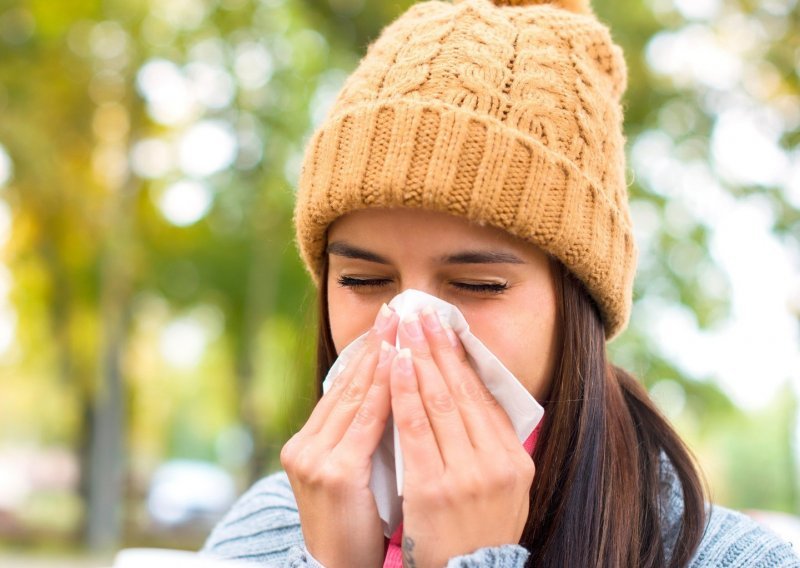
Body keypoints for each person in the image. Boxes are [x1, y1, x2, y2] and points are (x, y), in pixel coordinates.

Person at [199, 0, 800, 566]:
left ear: (577, 304)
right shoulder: (264, 531)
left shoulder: (727, 556)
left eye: (479, 285)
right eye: (363, 278)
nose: (410, 323)